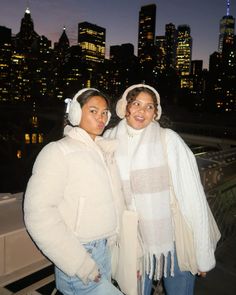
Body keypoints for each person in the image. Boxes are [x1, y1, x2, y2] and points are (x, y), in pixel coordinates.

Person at [104, 84, 221, 295]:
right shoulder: (109, 139)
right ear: (125, 107)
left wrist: (204, 255)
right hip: (132, 241)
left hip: (172, 237)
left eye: (149, 107)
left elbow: (193, 197)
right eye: (137, 103)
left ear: (155, 113)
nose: (142, 111)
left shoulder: (168, 139)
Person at [23, 88, 124, 295]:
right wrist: (80, 263)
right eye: (93, 111)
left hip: (104, 251)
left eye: (105, 112)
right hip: (80, 254)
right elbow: (38, 213)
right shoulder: (57, 151)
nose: (101, 118)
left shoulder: (104, 152)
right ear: (76, 113)